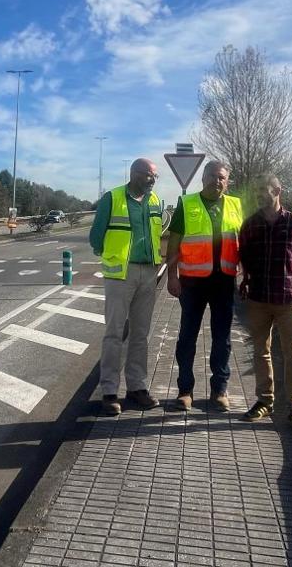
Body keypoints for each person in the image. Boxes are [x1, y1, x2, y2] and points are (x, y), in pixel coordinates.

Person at [165, 160, 244, 412]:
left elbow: (242, 243)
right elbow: (174, 244)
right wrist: (172, 276)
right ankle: (185, 390)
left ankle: (219, 390)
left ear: (227, 181)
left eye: (221, 177)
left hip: (224, 282)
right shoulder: (187, 204)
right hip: (192, 283)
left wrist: (246, 277)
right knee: (187, 337)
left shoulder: (235, 205)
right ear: (203, 178)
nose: (216, 180)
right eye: (211, 176)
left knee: (222, 338)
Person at [237, 174, 292, 428]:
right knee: (261, 352)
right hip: (258, 299)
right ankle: (265, 402)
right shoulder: (250, 225)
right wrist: (248, 279)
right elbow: (244, 256)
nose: (259, 195)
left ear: (278, 190)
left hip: (287, 300)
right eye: (256, 191)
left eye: (264, 190)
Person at [89, 158, 164, 415]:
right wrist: (112, 256)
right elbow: (96, 237)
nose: (152, 180)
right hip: (121, 273)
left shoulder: (154, 201)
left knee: (141, 334)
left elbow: (159, 235)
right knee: (114, 333)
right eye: (148, 175)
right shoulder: (112, 198)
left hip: (149, 271)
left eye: (155, 176)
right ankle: (109, 391)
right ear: (134, 174)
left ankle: (137, 387)